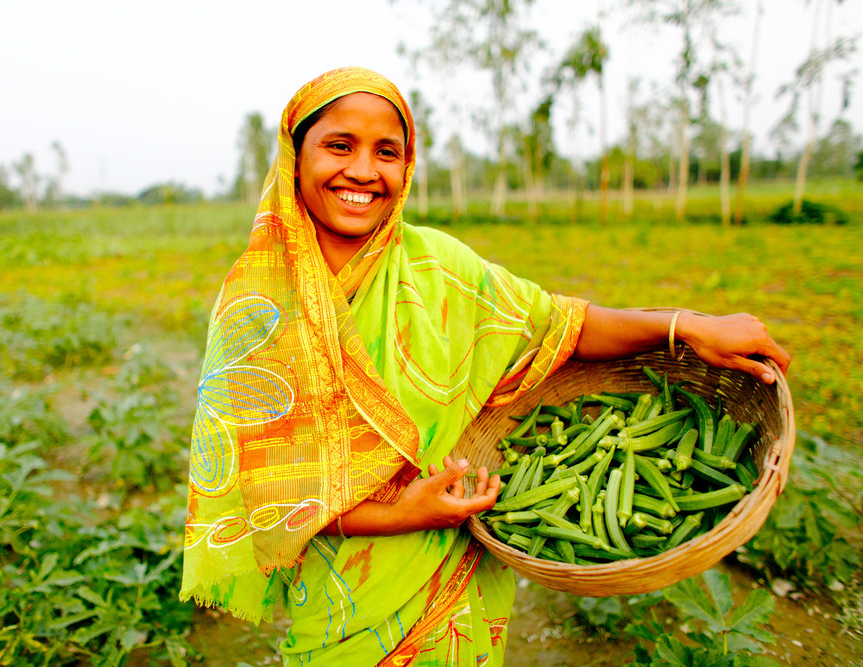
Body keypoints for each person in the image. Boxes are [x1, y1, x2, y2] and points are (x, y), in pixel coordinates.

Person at [179, 66, 791, 666]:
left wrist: (684, 326)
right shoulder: (257, 310)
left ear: (407, 164)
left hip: (461, 580)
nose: (363, 171)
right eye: (339, 146)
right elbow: (267, 498)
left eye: (386, 152)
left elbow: (560, 325)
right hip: (347, 593)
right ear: (294, 158)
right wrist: (402, 515)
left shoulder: (440, 265)